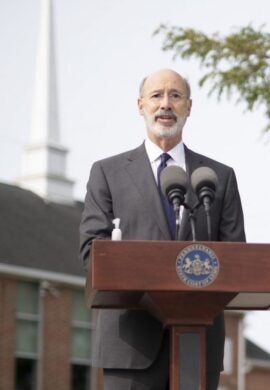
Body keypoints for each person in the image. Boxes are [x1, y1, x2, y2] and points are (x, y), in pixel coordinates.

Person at [79, 68, 246, 389]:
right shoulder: (108, 173)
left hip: (199, 344)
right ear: (140, 105)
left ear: (189, 106)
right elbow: (92, 254)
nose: (165, 104)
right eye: (156, 96)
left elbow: (236, 258)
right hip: (130, 343)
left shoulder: (217, 177)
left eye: (175, 96)